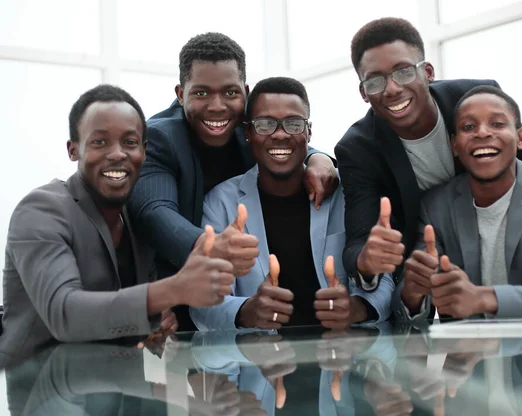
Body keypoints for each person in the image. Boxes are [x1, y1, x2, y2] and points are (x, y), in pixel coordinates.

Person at [334, 17, 522, 289]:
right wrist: (367, 261)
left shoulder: (474, 100)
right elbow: (358, 242)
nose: (392, 89)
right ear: (364, 93)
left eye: (403, 72)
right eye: (374, 81)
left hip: (507, 247)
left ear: (427, 72)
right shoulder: (357, 148)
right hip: (431, 271)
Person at [0, 85, 235, 358]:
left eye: (130, 142)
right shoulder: (41, 210)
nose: (117, 154)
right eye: (99, 142)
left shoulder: (135, 220)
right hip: (37, 391)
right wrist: (173, 290)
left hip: (116, 389)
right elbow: (65, 314)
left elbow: (132, 315)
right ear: (73, 149)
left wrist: (155, 323)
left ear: (144, 152)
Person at [128, 33, 339, 330]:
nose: (217, 106)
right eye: (201, 93)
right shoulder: (161, 137)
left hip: (248, 308)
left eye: (230, 93)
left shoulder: (248, 125)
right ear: (180, 93)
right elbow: (154, 210)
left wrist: (319, 158)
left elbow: (286, 140)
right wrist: (208, 246)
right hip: (173, 303)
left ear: (245, 91)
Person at [190, 77, 393, 330]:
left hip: (340, 358)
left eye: (293, 124)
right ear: (248, 133)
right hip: (260, 359)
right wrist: (245, 311)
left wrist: (357, 308)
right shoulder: (220, 203)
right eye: (265, 125)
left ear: (309, 132)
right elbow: (201, 303)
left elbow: (384, 279)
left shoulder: (346, 191)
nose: (280, 135)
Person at [394, 86, 522, 320]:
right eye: (468, 127)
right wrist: (412, 293)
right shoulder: (436, 207)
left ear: (521, 138)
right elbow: (408, 310)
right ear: (455, 146)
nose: (482, 133)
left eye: (498, 124)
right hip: (471, 354)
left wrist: (483, 298)